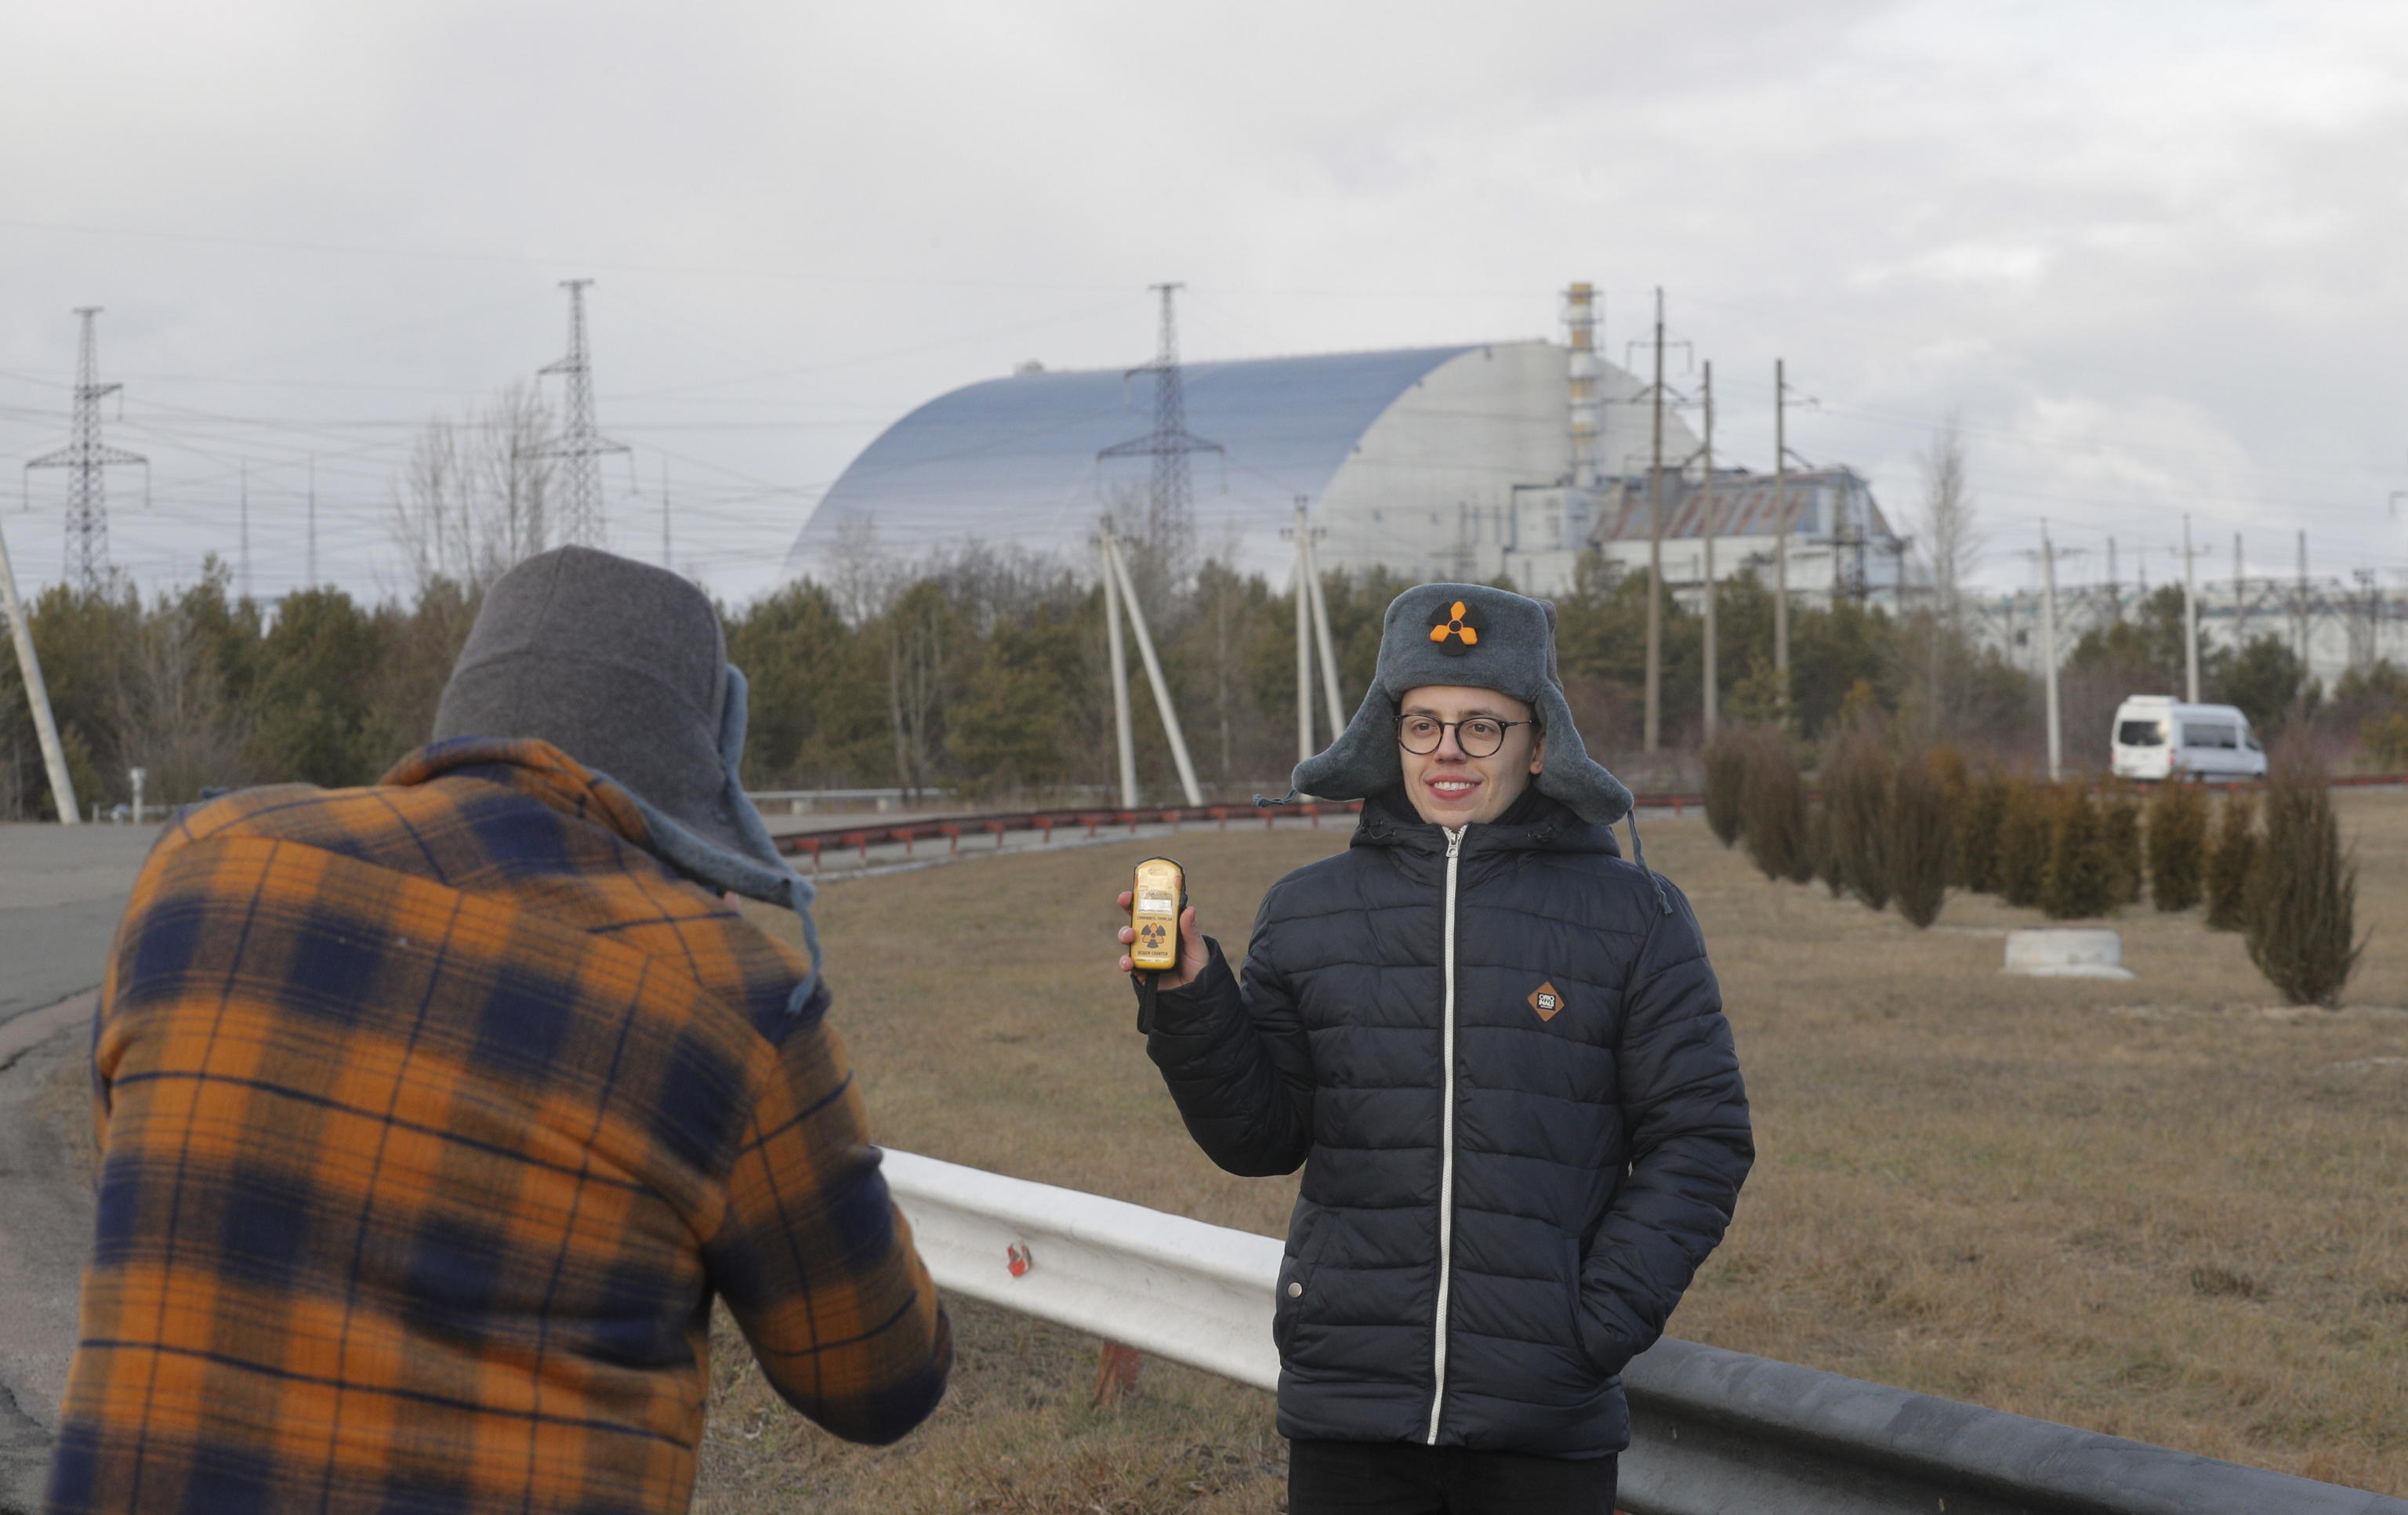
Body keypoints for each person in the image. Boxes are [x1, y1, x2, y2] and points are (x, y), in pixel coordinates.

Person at [48, 547, 950, 1514]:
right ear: (695, 779)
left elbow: (130, 1175)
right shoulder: (731, 998)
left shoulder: (201, 864)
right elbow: (878, 1380)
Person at [1116, 582, 1750, 1515]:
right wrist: (1189, 997)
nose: (1448, 750)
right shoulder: (1306, 910)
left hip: (1543, 1421)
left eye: (1482, 726)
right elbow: (1260, 1139)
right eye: (1423, 724)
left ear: (1541, 743)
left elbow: (1701, 1140)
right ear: (1392, 738)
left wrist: (1593, 1324)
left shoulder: (1636, 916)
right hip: (1350, 1411)